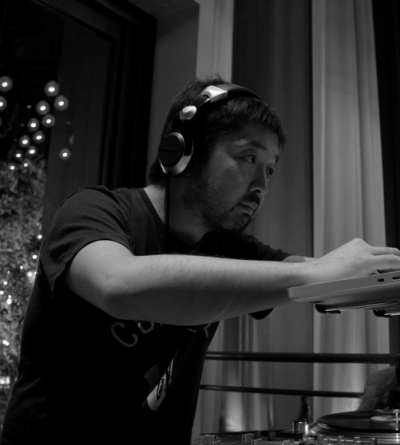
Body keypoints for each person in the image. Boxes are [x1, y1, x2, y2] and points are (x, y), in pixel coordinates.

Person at [1, 76, 400, 445]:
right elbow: (118, 285)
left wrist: (374, 280)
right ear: (180, 152)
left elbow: (330, 278)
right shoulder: (94, 211)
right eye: (248, 158)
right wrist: (316, 272)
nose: (261, 185)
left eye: (270, 169)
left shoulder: (227, 246)